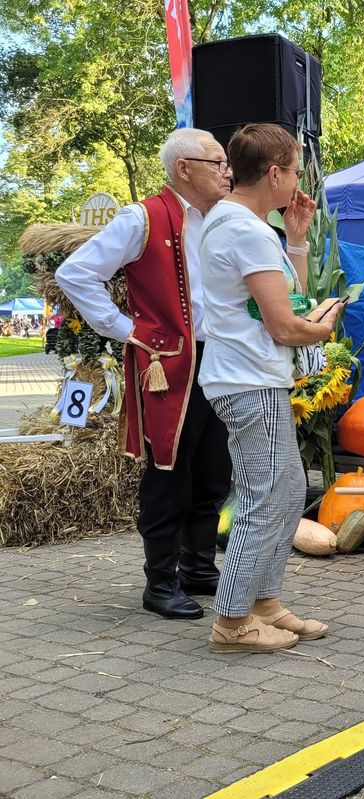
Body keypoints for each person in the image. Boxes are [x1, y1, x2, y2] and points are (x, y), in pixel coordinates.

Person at [55, 128, 233, 620]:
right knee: (168, 472)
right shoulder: (142, 217)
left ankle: (198, 567)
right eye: (216, 161)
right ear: (184, 168)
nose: (226, 170)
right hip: (168, 363)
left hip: (219, 360)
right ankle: (160, 582)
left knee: (214, 469)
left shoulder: (224, 216)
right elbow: (76, 272)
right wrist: (126, 328)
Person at [197, 123, 340, 654]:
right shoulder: (246, 230)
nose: (300, 180)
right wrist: (322, 330)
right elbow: (287, 325)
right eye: (297, 170)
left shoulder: (245, 225)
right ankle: (232, 620)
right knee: (266, 496)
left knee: (286, 491)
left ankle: (265, 604)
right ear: (275, 173)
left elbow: (290, 301)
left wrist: (298, 238)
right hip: (249, 379)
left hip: (250, 376)